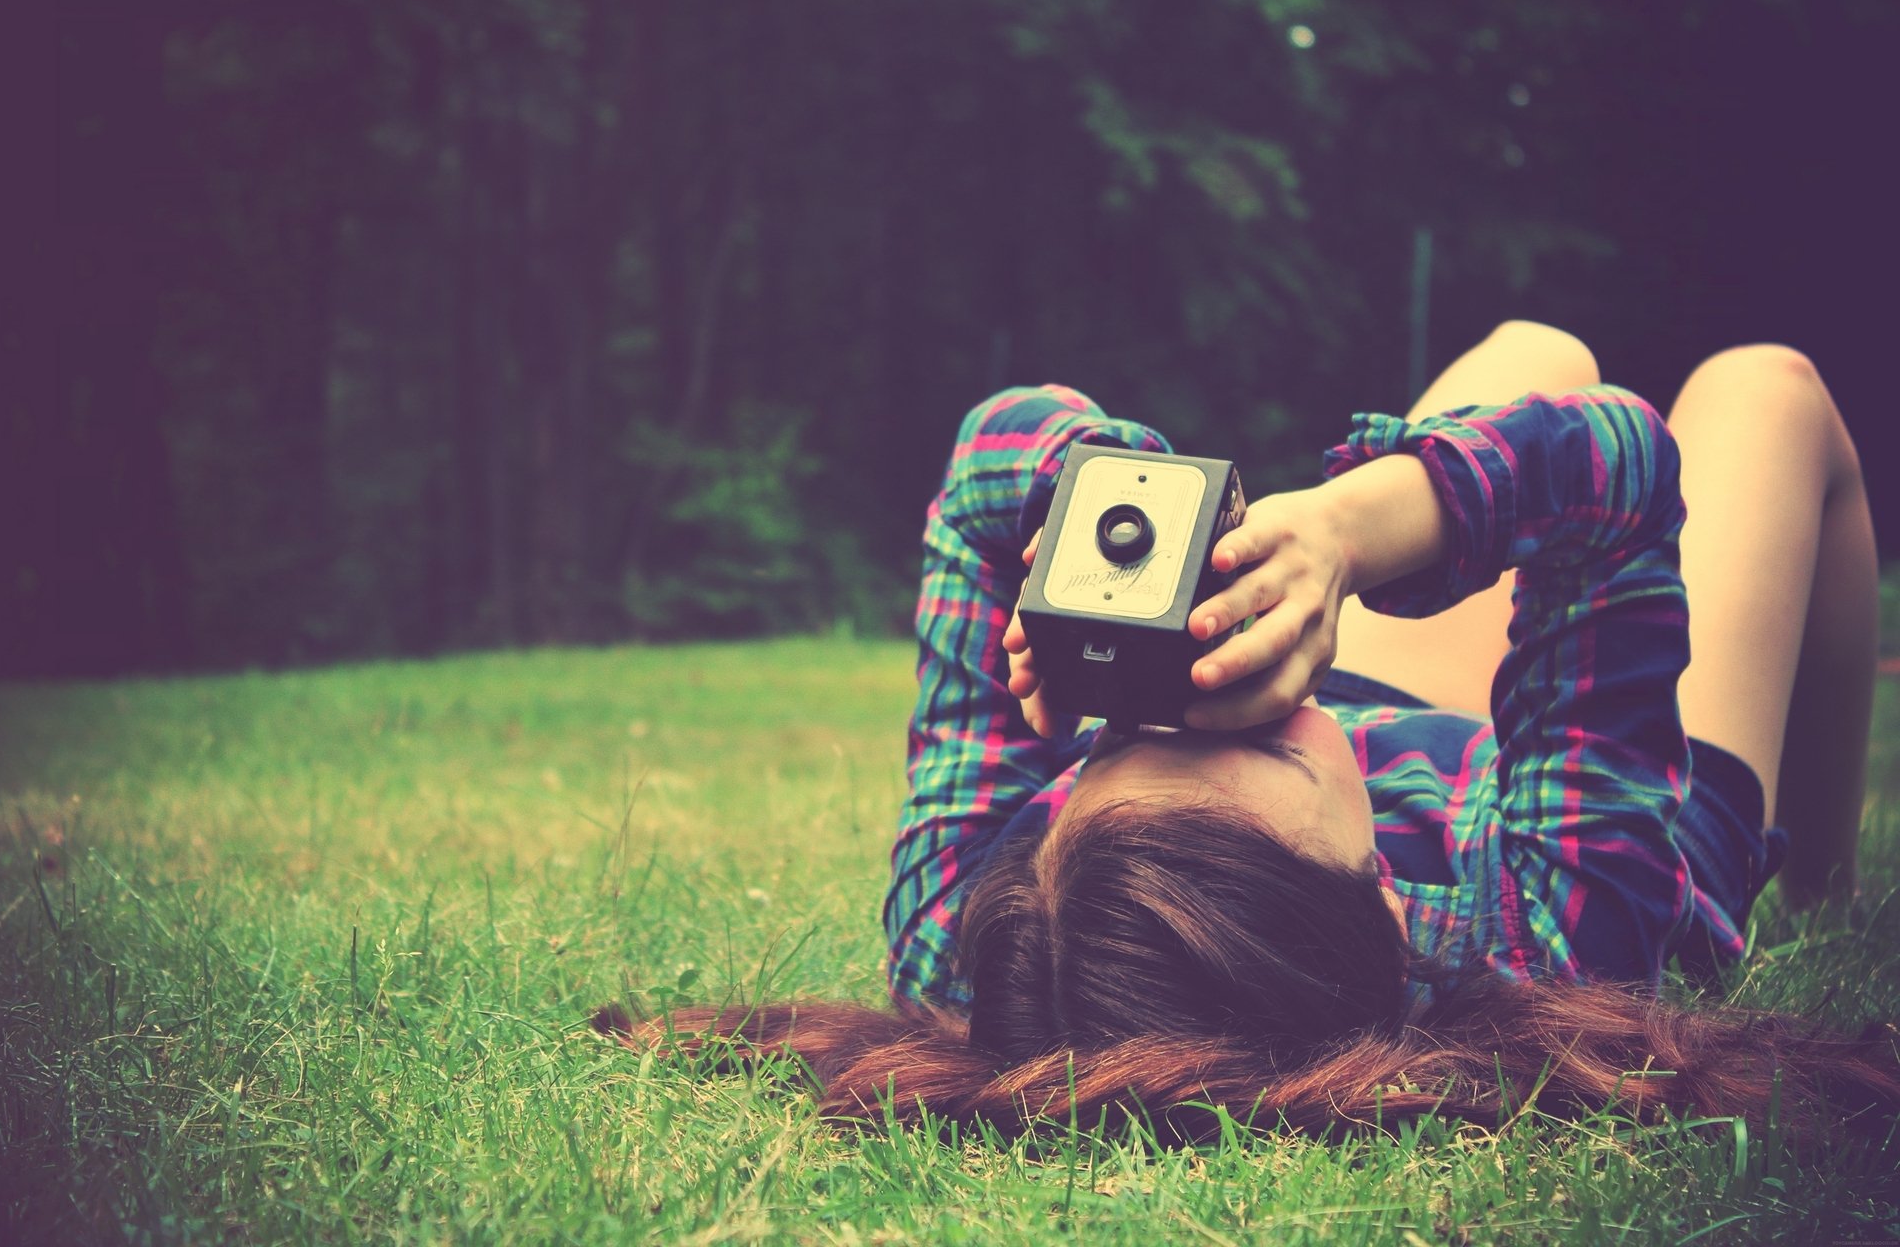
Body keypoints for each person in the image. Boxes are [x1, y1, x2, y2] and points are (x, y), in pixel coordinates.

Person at [600, 322, 1899, 1142]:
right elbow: (1623, 475)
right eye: (1267, 743)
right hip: (1578, 793)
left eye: (1122, 741)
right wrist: (1383, 521)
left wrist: (1105, 524)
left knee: (1531, 348)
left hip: (1396, 713)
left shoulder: (975, 936)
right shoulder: (1549, 942)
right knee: (1765, 387)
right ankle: (1824, 879)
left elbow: (993, 447)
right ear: (1376, 911)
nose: (1251, 703)